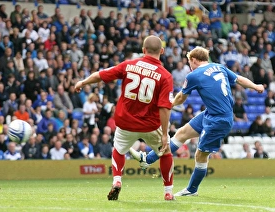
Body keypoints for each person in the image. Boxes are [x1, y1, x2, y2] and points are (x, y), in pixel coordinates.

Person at [130, 46, 264, 196]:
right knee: (181, 133)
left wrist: (168, 105)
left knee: (200, 155)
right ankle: (147, 159)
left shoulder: (195, 75)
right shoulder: (219, 67)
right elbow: (239, 79)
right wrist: (255, 86)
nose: (189, 66)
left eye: (189, 63)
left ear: (193, 60)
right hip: (211, 113)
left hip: (219, 120)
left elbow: (181, 98)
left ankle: (192, 189)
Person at [75, 35, 174, 201]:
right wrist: (164, 133)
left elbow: (102, 74)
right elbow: (164, 107)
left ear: (143, 50)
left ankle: (117, 181)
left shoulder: (129, 65)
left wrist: (83, 82)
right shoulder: (165, 76)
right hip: (150, 124)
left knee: (118, 150)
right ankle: (168, 192)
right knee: (165, 153)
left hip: (125, 122)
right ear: (162, 51)